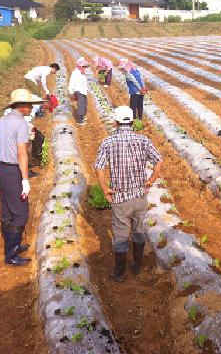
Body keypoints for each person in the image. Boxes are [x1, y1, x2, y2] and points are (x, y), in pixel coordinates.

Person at [94, 106, 163, 282]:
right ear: (132, 121)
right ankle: (137, 266)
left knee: (121, 235)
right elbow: (159, 160)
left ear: (116, 122)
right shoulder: (144, 140)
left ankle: (119, 272)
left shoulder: (108, 142)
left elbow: (99, 168)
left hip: (120, 198)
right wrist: (151, 180)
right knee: (139, 230)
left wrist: (105, 189)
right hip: (140, 196)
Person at [0, 89, 46, 266]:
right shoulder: (21, 124)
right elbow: (22, 153)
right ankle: (11, 254)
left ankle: (12, 246)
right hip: (13, 171)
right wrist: (24, 180)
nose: (31, 108)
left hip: (2, 169)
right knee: (21, 213)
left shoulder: (2, 121)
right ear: (22, 106)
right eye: (29, 105)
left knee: (7, 209)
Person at [68, 57, 90, 125]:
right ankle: (79, 120)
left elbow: (84, 82)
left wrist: (86, 89)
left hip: (83, 91)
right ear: (80, 66)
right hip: (78, 91)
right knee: (80, 105)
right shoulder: (76, 72)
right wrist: (71, 92)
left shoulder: (82, 72)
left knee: (84, 104)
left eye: (85, 66)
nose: (84, 67)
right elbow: (72, 82)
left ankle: (82, 117)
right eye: (83, 66)